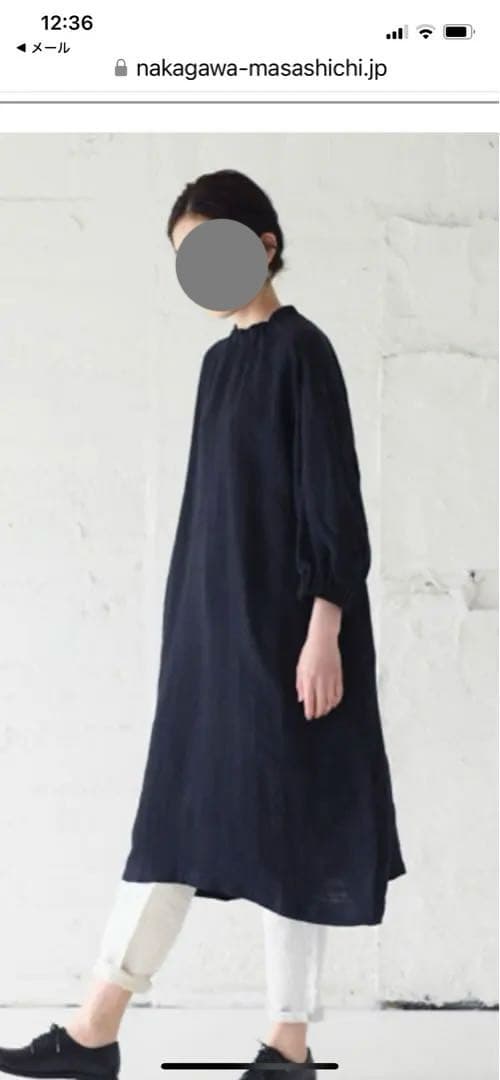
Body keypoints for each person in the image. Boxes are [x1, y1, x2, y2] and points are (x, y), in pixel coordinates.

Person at [0, 169, 406, 1080]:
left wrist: (325, 628)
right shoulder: (218, 366)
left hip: (290, 637)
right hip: (214, 638)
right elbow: (210, 518)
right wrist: (188, 639)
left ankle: (284, 1047)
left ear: (264, 243)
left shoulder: (304, 352)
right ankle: (96, 1029)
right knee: (173, 823)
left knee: (292, 830)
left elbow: (331, 502)